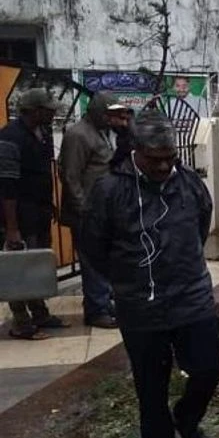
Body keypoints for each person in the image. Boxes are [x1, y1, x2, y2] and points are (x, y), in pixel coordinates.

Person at [81, 110, 219, 438]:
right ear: (136, 150)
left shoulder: (189, 183)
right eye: (154, 159)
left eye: (169, 158)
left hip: (192, 298)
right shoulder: (110, 190)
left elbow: (202, 224)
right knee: (151, 391)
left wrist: (182, 264)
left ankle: (186, 418)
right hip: (141, 307)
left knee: (208, 369)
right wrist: (126, 279)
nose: (162, 166)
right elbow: (92, 245)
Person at [0, 88, 70, 340]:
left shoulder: (39, 134)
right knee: (21, 268)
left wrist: (48, 203)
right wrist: (11, 228)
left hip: (37, 212)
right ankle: (22, 323)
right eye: (47, 109)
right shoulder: (10, 137)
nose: (52, 113)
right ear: (33, 110)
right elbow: (7, 186)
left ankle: (40, 313)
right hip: (19, 215)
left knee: (37, 265)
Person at [59, 91, 131, 328]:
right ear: (100, 114)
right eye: (111, 115)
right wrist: (83, 210)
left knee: (103, 260)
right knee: (92, 263)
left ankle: (101, 301)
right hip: (86, 212)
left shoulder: (101, 132)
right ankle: (96, 310)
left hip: (100, 211)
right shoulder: (78, 135)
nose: (114, 119)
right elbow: (70, 176)